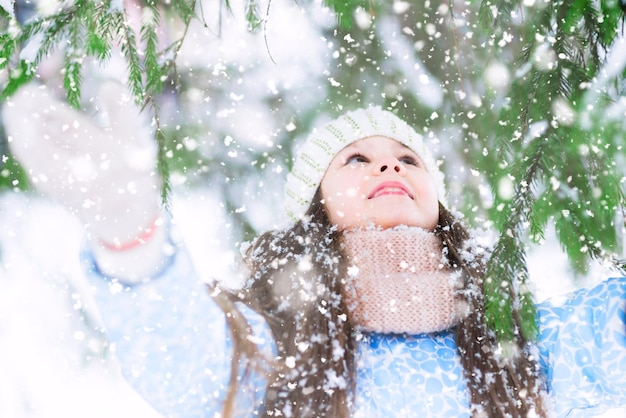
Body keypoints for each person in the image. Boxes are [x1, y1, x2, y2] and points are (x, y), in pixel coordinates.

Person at [3, 84, 626, 418]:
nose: (389, 162)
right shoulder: (284, 340)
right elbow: (182, 365)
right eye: (357, 158)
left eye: (408, 158)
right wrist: (132, 238)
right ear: (317, 206)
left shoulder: (517, 340)